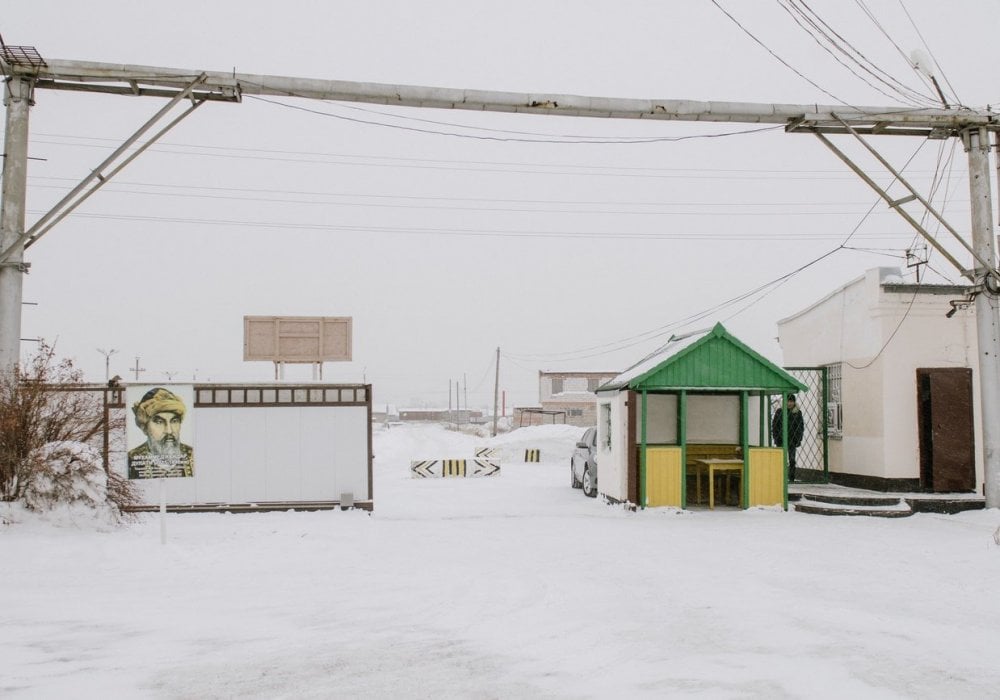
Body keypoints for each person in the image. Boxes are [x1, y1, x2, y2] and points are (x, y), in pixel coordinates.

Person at [127, 387, 194, 479]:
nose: (169, 431)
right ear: (144, 428)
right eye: (159, 422)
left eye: (174, 421)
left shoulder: (193, 455)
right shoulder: (130, 460)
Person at [771, 394, 805, 482]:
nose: (789, 403)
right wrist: (776, 437)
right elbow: (775, 425)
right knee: (781, 459)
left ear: (794, 402)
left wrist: (798, 438)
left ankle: (791, 478)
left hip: (792, 440)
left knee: (792, 460)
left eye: (791, 401)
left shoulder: (797, 412)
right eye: (788, 401)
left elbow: (800, 426)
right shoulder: (780, 412)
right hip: (781, 439)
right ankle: (780, 477)